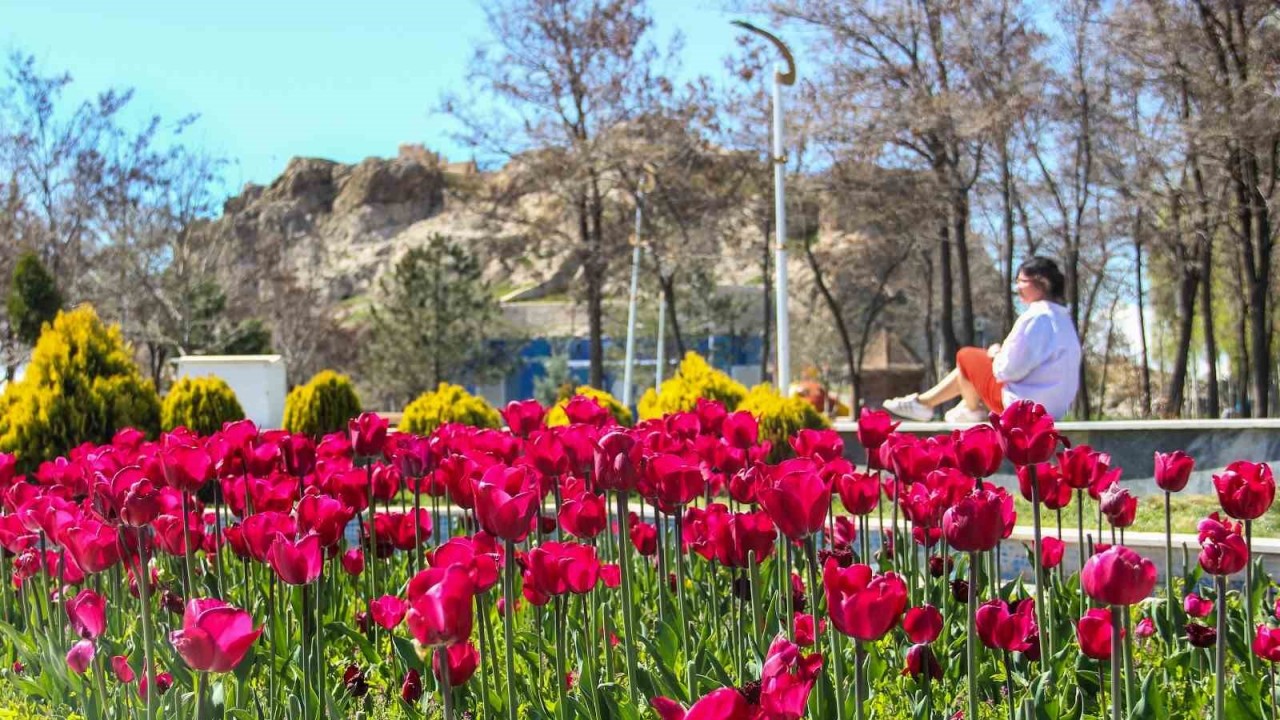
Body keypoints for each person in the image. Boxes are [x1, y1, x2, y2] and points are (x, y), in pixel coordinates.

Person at [883, 257, 1081, 423]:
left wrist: (996, 354)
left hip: (1023, 408)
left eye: (1022, 281)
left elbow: (1007, 371)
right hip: (1052, 408)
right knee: (967, 369)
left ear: (1042, 283)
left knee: (966, 356)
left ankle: (970, 410)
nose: (1017, 288)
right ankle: (926, 403)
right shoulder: (1063, 319)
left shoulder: (1037, 316)